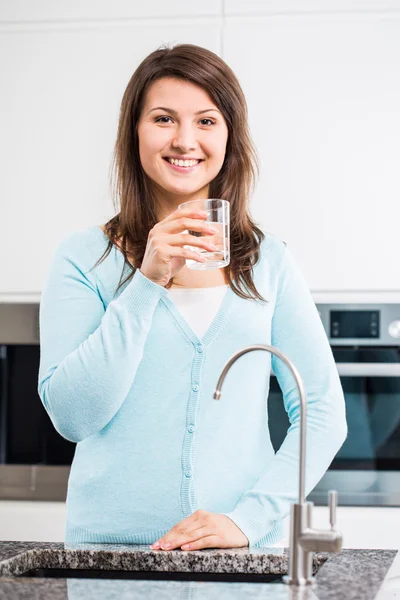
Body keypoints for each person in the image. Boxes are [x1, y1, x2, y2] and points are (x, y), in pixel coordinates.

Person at [38, 43, 348, 550]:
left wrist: (249, 519)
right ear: (133, 131)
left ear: (229, 136)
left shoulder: (268, 262)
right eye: (163, 118)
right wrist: (147, 281)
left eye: (206, 121)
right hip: (111, 554)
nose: (185, 140)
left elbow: (322, 409)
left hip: (241, 554)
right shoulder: (83, 258)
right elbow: (73, 417)